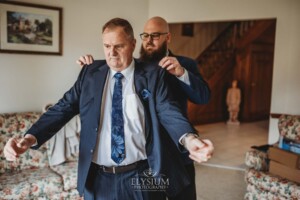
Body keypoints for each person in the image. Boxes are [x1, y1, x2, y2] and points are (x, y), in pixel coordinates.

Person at [4, 18, 214, 200]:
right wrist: (30, 138)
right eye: (106, 46)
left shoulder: (152, 75)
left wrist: (190, 139)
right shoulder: (90, 74)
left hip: (141, 176)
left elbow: (168, 111)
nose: (111, 53)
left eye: (119, 46)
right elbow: (62, 109)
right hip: (97, 178)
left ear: (132, 44)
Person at [76, 16, 211, 200]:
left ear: (168, 37)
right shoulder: (136, 66)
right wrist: (90, 67)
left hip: (176, 150)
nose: (148, 40)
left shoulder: (185, 64)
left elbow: (203, 98)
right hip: (147, 156)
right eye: (145, 35)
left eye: (155, 36)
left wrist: (182, 74)